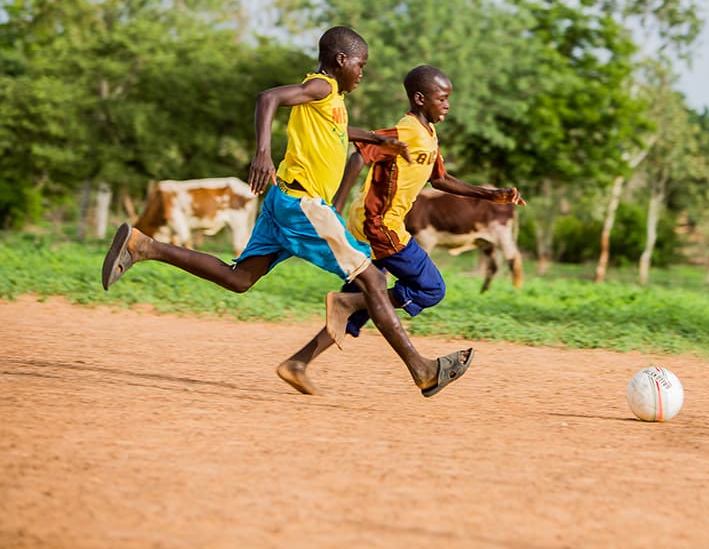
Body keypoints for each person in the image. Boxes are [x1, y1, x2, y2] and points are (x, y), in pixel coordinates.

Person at [101, 27, 475, 398]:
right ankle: (422, 370)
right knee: (374, 282)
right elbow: (268, 98)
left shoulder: (332, 100)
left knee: (239, 279)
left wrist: (377, 139)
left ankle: (144, 246)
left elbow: (338, 131)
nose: (362, 73)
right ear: (341, 61)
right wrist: (262, 152)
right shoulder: (322, 86)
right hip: (304, 205)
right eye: (360, 65)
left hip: (283, 201)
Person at [276, 64, 526, 395]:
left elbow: (440, 179)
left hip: (377, 226)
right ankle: (351, 308)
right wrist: (335, 206)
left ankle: (297, 363)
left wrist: (489, 195)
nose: (447, 104)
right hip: (380, 226)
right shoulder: (405, 131)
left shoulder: (429, 136)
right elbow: (359, 155)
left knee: (361, 300)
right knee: (431, 287)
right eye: (442, 98)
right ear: (421, 98)